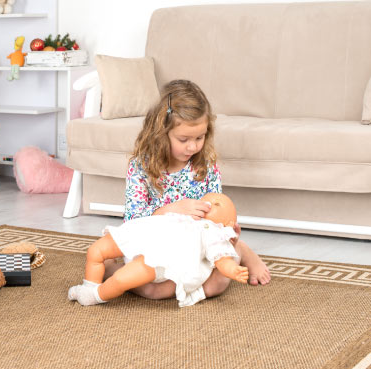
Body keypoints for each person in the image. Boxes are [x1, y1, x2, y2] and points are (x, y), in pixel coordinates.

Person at [119, 80, 270, 301]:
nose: (193, 147)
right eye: (184, 139)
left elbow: (217, 207)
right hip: (157, 243)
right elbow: (132, 219)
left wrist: (226, 230)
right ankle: (179, 286)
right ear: (161, 134)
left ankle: (242, 250)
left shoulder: (205, 164)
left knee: (219, 281)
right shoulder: (141, 167)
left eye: (200, 138)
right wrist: (172, 210)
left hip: (196, 246)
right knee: (151, 291)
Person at [69, 193, 248, 307]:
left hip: (157, 259)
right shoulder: (185, 213)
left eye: (217, 205)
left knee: (121, 279)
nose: (209, 202)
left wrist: (233, 270)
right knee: (95, 250)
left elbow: (222, 259)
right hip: (141, 237)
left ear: (228, 225)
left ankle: (95, 295)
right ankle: (88, 285)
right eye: (208, 199)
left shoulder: (212, 231)